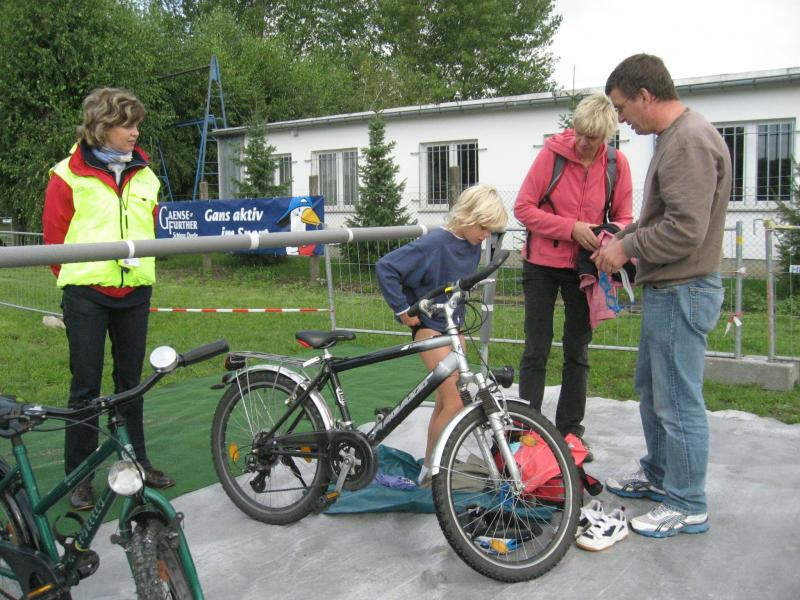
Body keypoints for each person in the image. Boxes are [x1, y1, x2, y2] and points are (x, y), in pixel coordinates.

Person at [593, 54, 731, 537]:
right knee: (654, 391)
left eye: (622, 107)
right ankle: (659, 473)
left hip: (682, 290)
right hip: (668, 290)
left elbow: (685, 230)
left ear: (646, 95)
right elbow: (662, 216)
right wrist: (624, 237)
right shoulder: (674, 137)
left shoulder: (689, 141)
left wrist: (627, 248)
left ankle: (687, 502)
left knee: (677, 401)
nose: (621, 119)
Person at [43, 88, 174, 510]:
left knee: (130, 384)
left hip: (135, 291)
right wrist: (81, 280)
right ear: (101, 128)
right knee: (85, 386)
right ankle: (80, 476)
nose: (135, 133)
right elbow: (54, 241)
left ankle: (136, 463)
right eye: (126, 124)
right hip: (86, 294)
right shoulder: (66, 175)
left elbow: (151, 226)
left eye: (137, 124)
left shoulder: (146, 174)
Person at [513, 92, 633, 459]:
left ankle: (570, 433)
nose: (582, 142)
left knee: (577, 350)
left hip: (585, 269)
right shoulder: (550, 155)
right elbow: (523, 208)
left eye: (592, 138)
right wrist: (571, 228)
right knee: (536, 347)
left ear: (607, 136)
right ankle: (526, 430)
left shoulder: (617, 164)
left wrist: (608, 238)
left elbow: (625, 217)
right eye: (579, 132)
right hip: (541, 265)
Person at [376, 185, 508, 484]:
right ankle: (433, 471)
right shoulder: (435, 243)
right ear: (467, 217)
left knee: (445, 401)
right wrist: (402, 310)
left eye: (491, 229)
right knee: (456, 402)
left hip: (452, 327)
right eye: (483, 227)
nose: (486, 234)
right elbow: (386, 267)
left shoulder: (471, 244)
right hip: (428, 329)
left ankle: (431, 463)